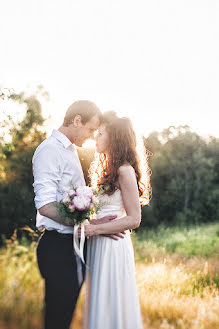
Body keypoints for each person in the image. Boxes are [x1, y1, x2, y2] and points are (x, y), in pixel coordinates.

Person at [32, 101, 124, 329]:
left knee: (64, 315)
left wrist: (91, 224)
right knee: (58, 319)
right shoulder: (49, 150)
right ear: (76, 121)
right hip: (58, 247)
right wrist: (86, 225)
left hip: (71, 245)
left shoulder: (69, 149)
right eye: (91, 129)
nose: (93, 136)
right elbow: (45, 205)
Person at [82, 111, 152, 329]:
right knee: (99, 301)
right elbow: (101, 215)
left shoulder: (124, 170)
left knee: (112, 301)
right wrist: (92, 225)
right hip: (99, 242)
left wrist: (94, 230)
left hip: (113, 245)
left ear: (114, 137)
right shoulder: (106, 169)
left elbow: (134, 219)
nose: (96, 137)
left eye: (101, 133)